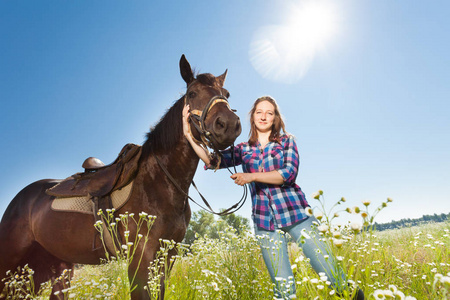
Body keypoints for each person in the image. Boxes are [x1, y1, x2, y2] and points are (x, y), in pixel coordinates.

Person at [183, 96, 364, 300]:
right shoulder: (243, 149)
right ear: (253, 116)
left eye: (269, 113)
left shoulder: (287, 141)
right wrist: (189, 135)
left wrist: (251, 176)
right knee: (283, 288)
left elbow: (288, 174)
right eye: (259, 112)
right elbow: (211, 160)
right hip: (264, 222)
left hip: (296, 214)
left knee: (332, 274)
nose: (264, 116)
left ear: (275, 117)